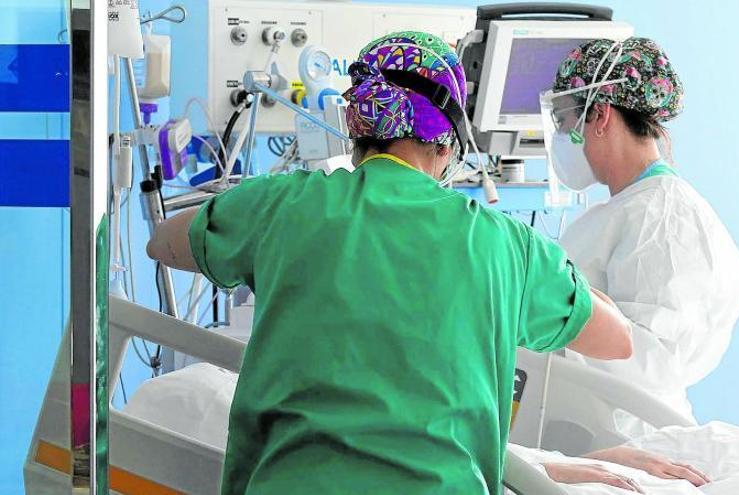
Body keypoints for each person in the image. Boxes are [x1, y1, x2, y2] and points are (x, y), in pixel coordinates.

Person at [147, 31, 633, 494]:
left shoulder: (283, 204)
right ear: (447, 142)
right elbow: (618, 340)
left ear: (355, 125)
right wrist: (572, 287)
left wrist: (241, 215)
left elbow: (162, 244)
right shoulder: (507, 246)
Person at [540, 37, 739, 438]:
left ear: (599, 115)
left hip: (625, 432)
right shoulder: (629, 210)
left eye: (566, 122)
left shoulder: (664, 218)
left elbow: (648, 358)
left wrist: (542, 297)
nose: (562, 136)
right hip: (594, 425)